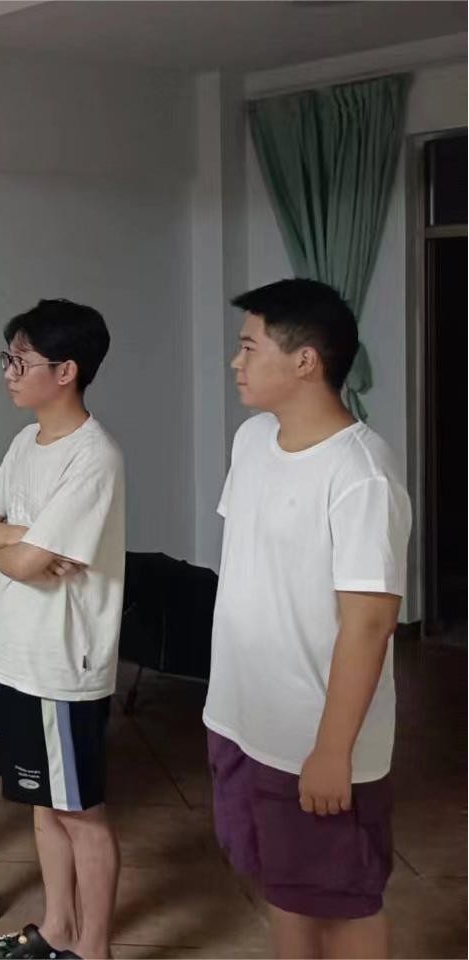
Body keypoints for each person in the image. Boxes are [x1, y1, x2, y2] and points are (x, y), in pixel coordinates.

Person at [204, 279, 410, 960]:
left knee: (344, 900)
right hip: (241, 719)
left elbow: (369, 624)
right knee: (283, 888)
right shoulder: (251, 440)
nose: (235, 362)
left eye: (248, 347)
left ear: (304, 361)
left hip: (314, 738)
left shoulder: (361, 473)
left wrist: (331, 750)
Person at [0, 300, 124, 960]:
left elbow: (25, 562)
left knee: (79, 813)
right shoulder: (23, 443)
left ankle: (92, 949)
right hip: (11, 655)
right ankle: (57, 929)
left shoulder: (94, 458)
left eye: (20, 361)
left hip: (61, 665)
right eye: (7, 358)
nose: (8, 372)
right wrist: (20, 537)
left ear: (66, 371)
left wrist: (1, 545)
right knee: (42, 803)